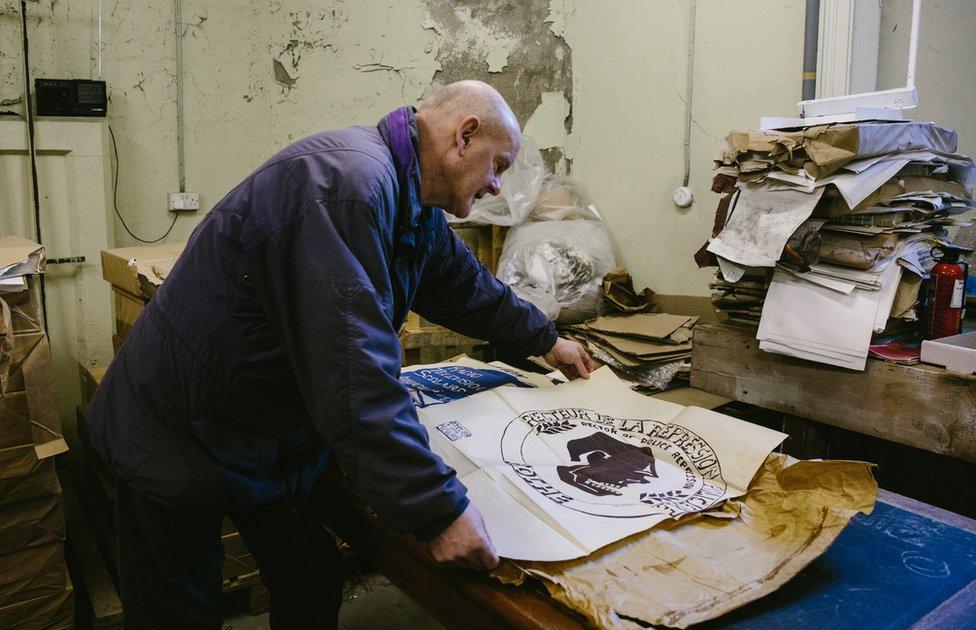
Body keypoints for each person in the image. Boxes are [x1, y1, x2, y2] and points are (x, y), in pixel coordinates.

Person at [87, 80, 593, 629]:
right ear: (464, 136)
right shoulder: (347, 188)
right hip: (176, 425)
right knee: (178, 612)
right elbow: (354, 372)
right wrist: (437, 509)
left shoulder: (409, 198)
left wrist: (546, 339)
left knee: (309, 573)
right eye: (499, 165)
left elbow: (464, 287)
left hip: (258, 428)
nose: (497, 186)